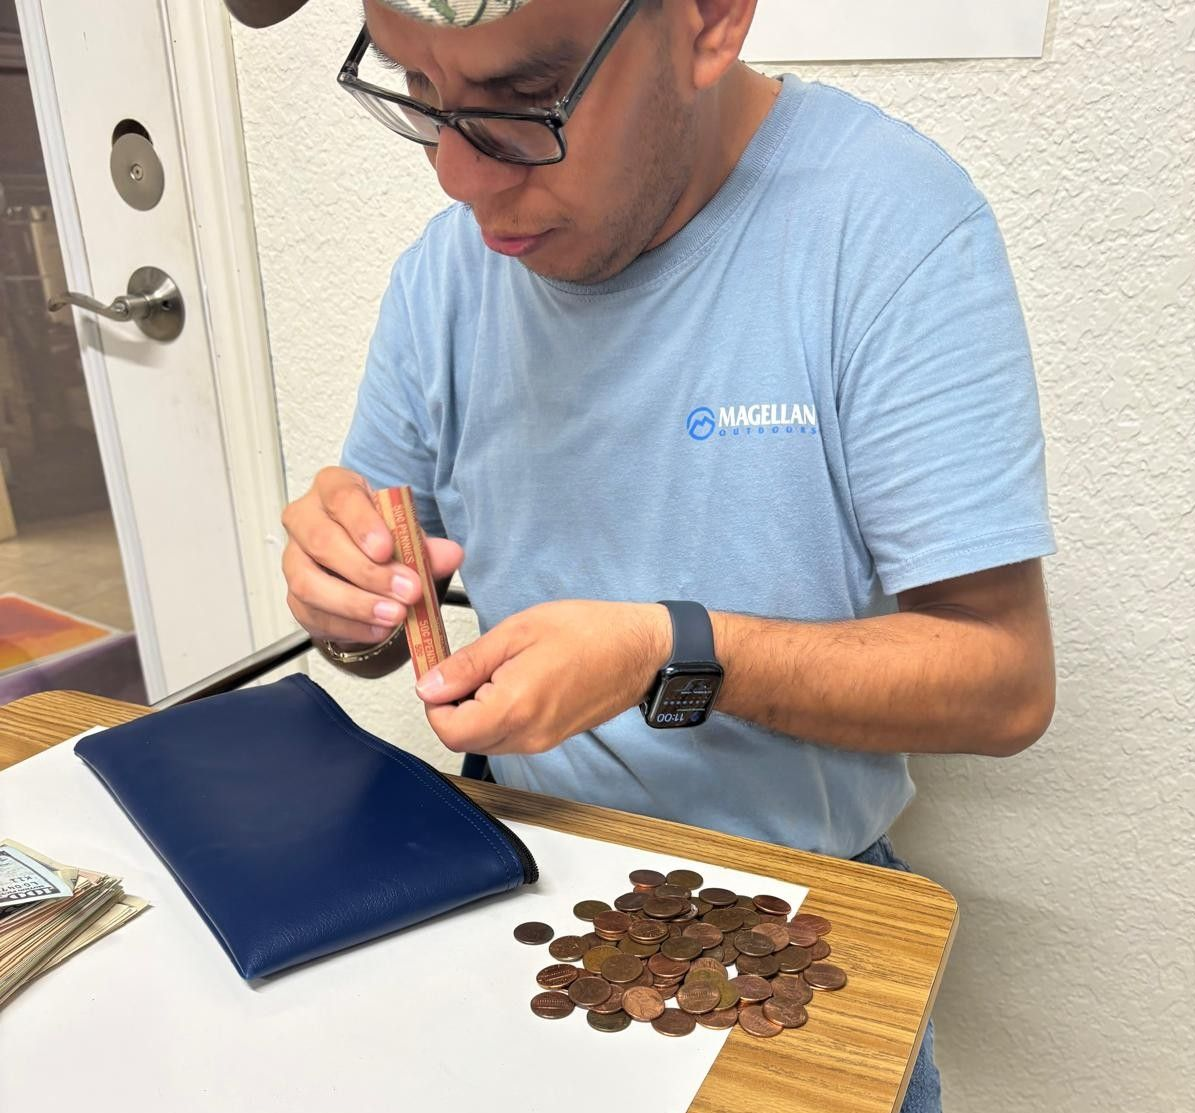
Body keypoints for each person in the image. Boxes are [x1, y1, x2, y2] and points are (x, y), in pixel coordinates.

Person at [239, 1, 1058, 1108]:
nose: (459, 181)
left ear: (709, 21)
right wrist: (351, 605)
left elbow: (1003, 685)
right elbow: (389, 624)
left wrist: (667, 655)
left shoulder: (889, 228)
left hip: (791, 905)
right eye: (421, 95)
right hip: (507, 872)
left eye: (525, 105)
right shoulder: (444, 275)